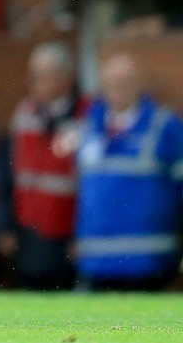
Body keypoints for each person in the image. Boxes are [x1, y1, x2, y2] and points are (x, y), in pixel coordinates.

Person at [74, 53, 183, 291]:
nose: (117, 90)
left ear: (140, 86)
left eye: (125, 83)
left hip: (148, 259)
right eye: (111, 83)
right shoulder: (88, 126)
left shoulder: (165, 126)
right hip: (95, 260)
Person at [0, 42, 86, 290]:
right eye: (33, 75)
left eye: (42, 76)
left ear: (65, 79)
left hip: (69, 230)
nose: (33, 82)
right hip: (29, 230)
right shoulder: (24, 114)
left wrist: (83, 234)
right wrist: (5, 226)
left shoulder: (87, 116)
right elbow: (7, 176)